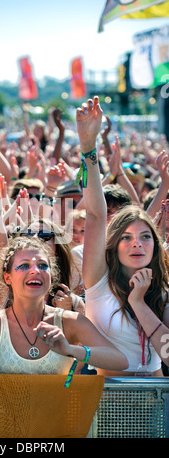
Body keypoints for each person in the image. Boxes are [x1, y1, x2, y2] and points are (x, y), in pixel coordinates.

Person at [0, 158, 128, 377]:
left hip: (59, 413)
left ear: (52, 274)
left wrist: (71, 349)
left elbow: (120, 360)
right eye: (24, 265)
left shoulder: (69, 322)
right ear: (7, 278)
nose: (35, 270)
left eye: (42, 265)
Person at [76, 95, 169, 377]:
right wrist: (88, 149)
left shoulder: (162, 292)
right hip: (107, 403)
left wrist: (139, 303)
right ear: (114, 245)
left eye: (145, 237)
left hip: (155, 407)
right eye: (126, 237)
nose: (137, 243)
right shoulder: (98, 280)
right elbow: (95, 215)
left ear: (156, 245)